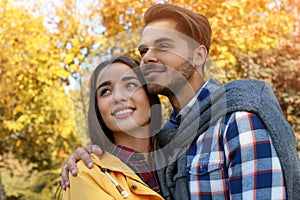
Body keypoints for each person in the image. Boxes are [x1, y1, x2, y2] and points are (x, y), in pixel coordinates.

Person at [61, 3, 300, 200]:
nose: (148, 58)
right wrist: (89, 157)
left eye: (163, 46)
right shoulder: (166, 144)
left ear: (198, 55)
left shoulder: (237, 119)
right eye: (143, 51)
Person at [62, 56, 164, 200]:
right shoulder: (86, 174)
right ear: (97, 111)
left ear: (149, 97)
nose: (118, 97)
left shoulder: (184, 158)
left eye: (130, 85)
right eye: (106, 91)